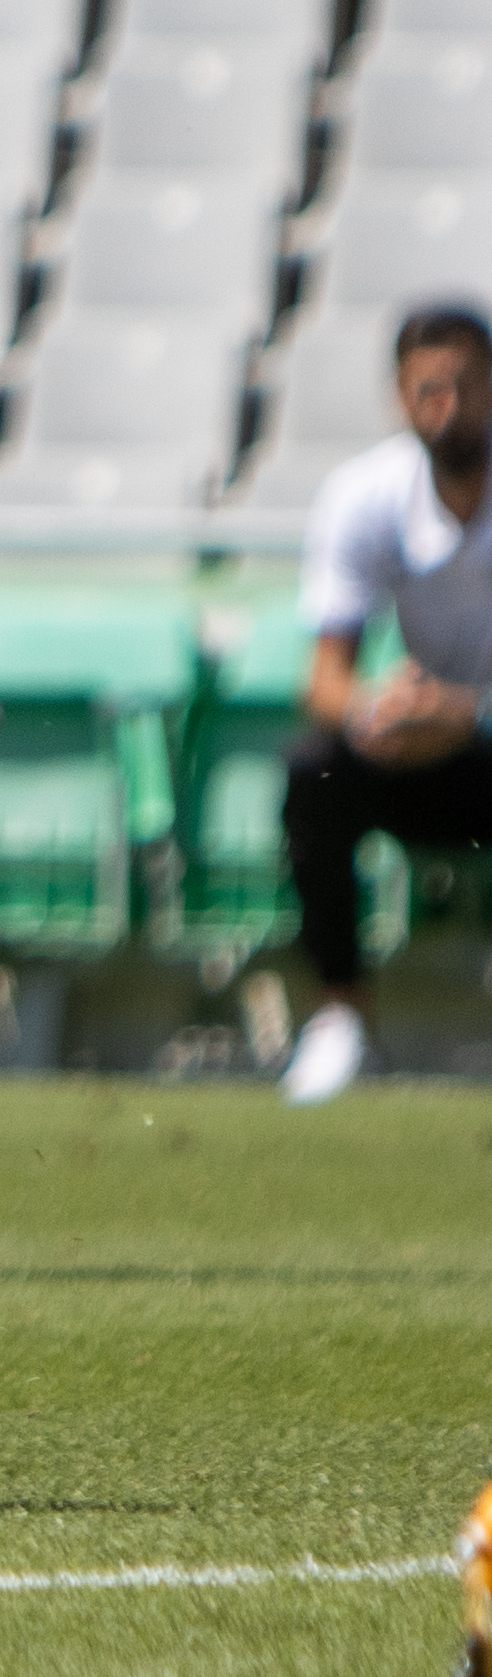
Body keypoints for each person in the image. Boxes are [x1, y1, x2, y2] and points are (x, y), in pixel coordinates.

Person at [275, 303, 492, 1111]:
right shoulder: (363, 493)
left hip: (481, 738)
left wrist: (464, 713)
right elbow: (323, 676)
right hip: (416, 754)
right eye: (429, 389)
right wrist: (379, 710)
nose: (449, 406)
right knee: (313, 772)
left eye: (467, 387)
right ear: (399, 399)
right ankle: (342, 1017)